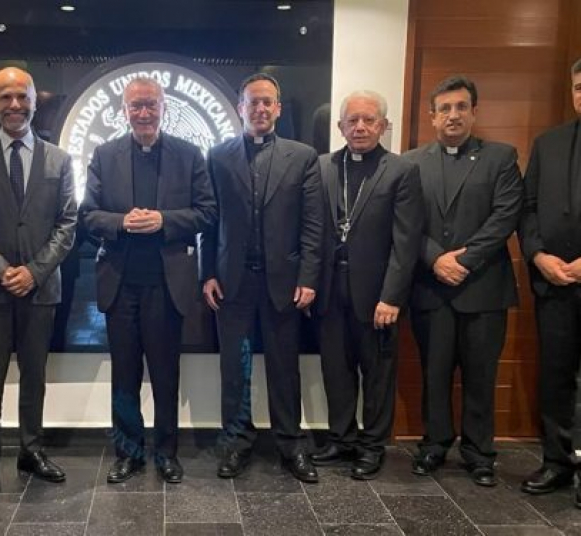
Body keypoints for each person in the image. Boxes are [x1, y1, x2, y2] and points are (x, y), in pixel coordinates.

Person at [80, 76, 216, 484]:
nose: (143, 113)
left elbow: (207, 212)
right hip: (120, 284)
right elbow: (88, 215)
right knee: (123, 376)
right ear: (124, 110)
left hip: (167, 285)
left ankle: (167, 453)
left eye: (150, 105)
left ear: (163, 108)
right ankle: (128, 453)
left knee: (165, 374)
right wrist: (122, 222)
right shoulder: (104, 154)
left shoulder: (189, 154)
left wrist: (164, 220)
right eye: (136, 106)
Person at [200, 73, 323, 481]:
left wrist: (308, 276)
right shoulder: (218, 156)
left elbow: (313, 224)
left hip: (284, 282)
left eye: (267, 101)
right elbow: (210, 221)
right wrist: (207, 273)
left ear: (278, 108)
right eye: (253, 102)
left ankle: (291, 444)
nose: (260, 109)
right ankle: (236, 443)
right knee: (234, 371)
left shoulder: (303, 157)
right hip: (232, 282)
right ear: (240, 108)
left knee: (284, 367)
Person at [0, 67, 76, 493]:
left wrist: (34, 271)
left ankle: (31, 450)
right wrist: (0, 268)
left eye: (22, 96)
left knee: (34, 376)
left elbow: (67, 223)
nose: (14, 105)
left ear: (34, 101)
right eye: (5, 97)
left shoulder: (59, 159)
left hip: (40, 288)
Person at [403, 75, 522, 487]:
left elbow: (505, 216)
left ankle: (479, 453)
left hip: (483, 287)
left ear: (474, 112)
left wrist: (464, 260)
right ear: (432, 116)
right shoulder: (412, 162)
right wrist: (435, 259)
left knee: (480, 376)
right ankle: (434, 445)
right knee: (434, 374)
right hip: (432, 287)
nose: (453, 115)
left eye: (461, 107)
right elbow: (406, 222)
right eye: (445, 108)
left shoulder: (501, 157)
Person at [312, 90, 423, 480]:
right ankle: (341, 439)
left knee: (377, 375)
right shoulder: (323, 167)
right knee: (336, 371)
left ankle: (372, 446)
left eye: (369, 120)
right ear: (340, 126)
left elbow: (406, 242)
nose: (359, 127)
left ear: (383, 126)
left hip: (377, 295)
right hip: (330, 291)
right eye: (352, 120)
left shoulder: (401, 170)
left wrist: (392, 296)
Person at [518, 58, 581, 504]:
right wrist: (538, 255)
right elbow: (527, 208)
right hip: (554, 281)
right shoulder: (549, 143)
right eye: (579, 87)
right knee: (555, 376)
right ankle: (557, 461)